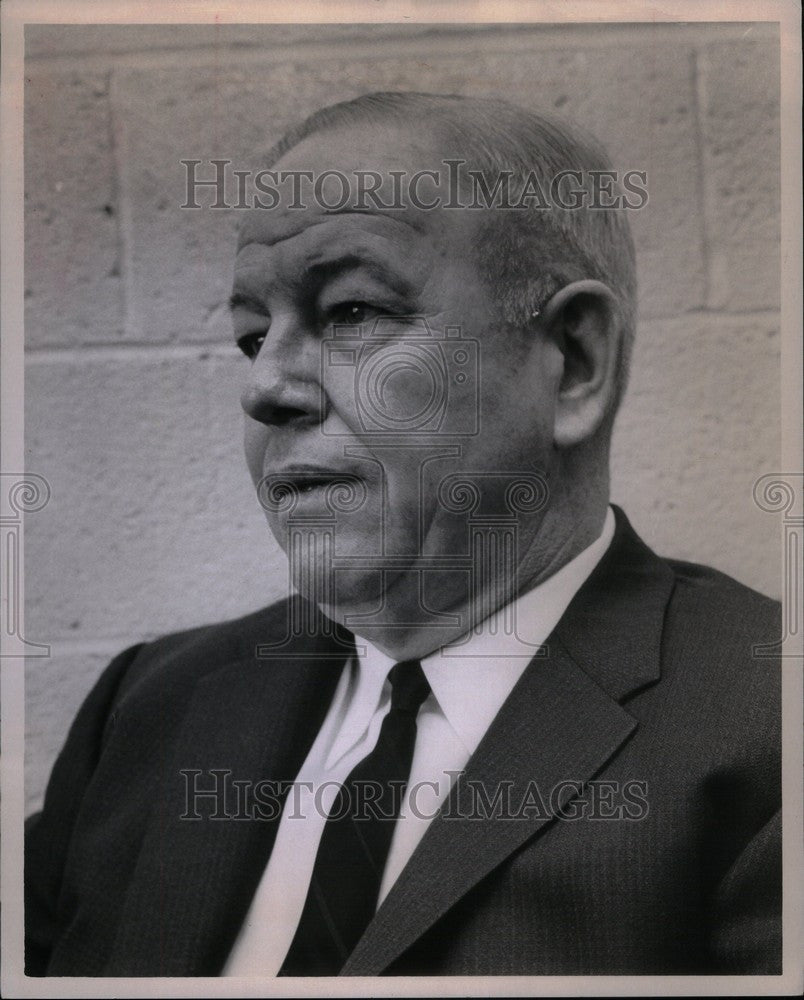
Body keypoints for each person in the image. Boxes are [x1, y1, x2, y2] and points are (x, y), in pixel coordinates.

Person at [25, 92, 781, 977]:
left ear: (572, 363)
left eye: (351, 313)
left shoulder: (768, 728)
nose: (265, 385)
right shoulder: (148, 706)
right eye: (251, 335)